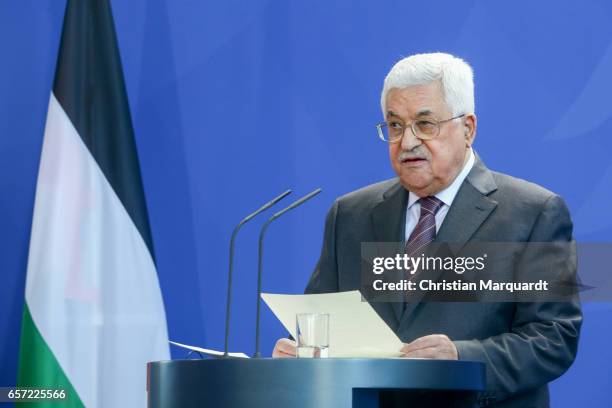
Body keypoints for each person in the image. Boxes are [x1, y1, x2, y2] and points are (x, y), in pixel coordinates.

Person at [272, 53, 581, 407]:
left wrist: (461, 357)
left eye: (425, 124)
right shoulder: (351, 214)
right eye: (395, 125)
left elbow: (553, 339)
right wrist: (303, 356)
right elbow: (321, 322)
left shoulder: (533, 212)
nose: (407, 142)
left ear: (468, 128)